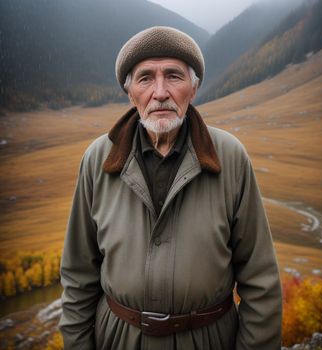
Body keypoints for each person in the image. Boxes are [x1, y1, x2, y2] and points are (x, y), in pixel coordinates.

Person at [59, 26, 282, 350]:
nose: (160, 92)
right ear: (130, 92)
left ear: (194, 89)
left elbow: (260, 281)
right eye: (145, 78)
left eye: (174, 76)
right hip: (119, 340)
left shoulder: (229, 156)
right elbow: (78, 276)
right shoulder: (98, 158)